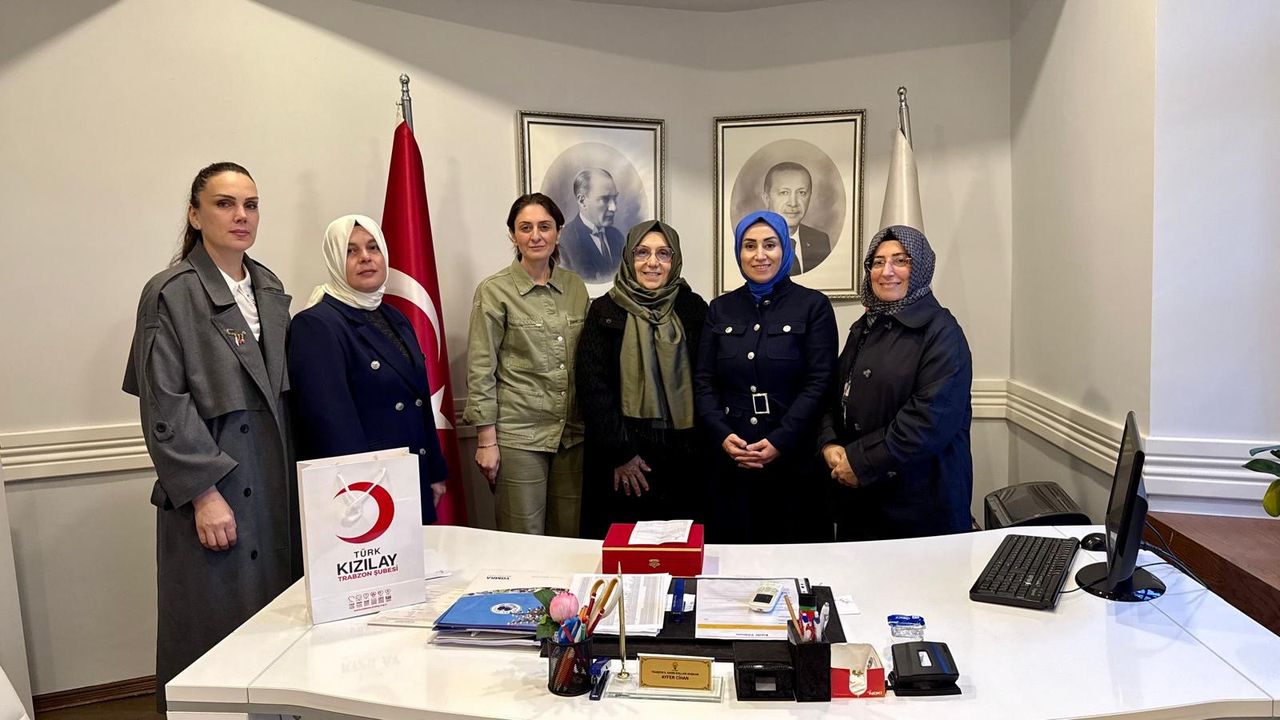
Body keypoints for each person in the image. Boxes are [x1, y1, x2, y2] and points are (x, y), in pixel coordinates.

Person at [123, 162, 298, 712]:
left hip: (273, 482)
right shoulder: (170, 292)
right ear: (195, 216)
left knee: (277, 624)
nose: (241, 215)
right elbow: (164, 404)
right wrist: (204, 493)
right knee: (214, 628)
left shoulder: (269, 286)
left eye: (251, 204)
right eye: (224, 203)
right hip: (217, 488)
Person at [286, 214, 447, 522]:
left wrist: (434, 470)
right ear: (334, 260)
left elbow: (419, 400)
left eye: (373, 247)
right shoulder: (316, 324)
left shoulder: (395, 317)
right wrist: (363, 493)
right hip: (366, 493)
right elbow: (330, 425)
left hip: (411, 473)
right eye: (351, 251)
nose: (365, 257)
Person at [817, 226, 973, 540]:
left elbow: (927, 423)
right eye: (878, 262)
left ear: (921, 268)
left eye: (901, 261)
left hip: (919, 509)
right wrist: (829, 442)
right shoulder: (864, 326)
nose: (886, 271)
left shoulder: (943, 333)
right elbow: (834, 395)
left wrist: (859, 463)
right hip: (861, 504)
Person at [693, 210, 838, 543]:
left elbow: (819, 383)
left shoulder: (813, 306)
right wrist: (723, 435)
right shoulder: (720, 309)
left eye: (770, 245)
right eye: (750, 246)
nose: (759, 255)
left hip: (793, 460)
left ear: (785, 248)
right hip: (732, 458)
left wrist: (780, 440)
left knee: (794, 558)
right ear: (738, 252)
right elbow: (704, 382)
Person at [463, 194, 590, 536]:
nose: (536, 236)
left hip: (572, 436)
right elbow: (481, 369)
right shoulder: (494, 291)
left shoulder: (575, 287)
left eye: (544, 227)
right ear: (513, 235)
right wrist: (486, 442)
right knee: (523, 537)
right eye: (525, 228)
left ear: (558, 233)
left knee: (569, 538)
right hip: (519, 436)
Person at [576, 220, 710, 538]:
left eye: (663, 253)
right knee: (627, 550)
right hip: (624, 458)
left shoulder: (693, 308)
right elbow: (593, 387)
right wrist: (621, 453)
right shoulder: (605, 310)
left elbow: (707, 379)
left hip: (685, 458)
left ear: (675, 260)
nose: (652, 262)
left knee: (682, 550)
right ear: (628, 257)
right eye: (642, 253)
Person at [761, 161, 832, 275]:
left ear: (810, 197)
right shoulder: (750, 242)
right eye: (784, 192)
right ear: (766, 199)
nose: (793, 203)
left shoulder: (820, 241)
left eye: (801, 193)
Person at [559, 167, 625, 283]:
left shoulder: (617, 237)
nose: (613, 208)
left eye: (614, 198)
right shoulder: (564, 241)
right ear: (582, 201)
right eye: (605, 199)